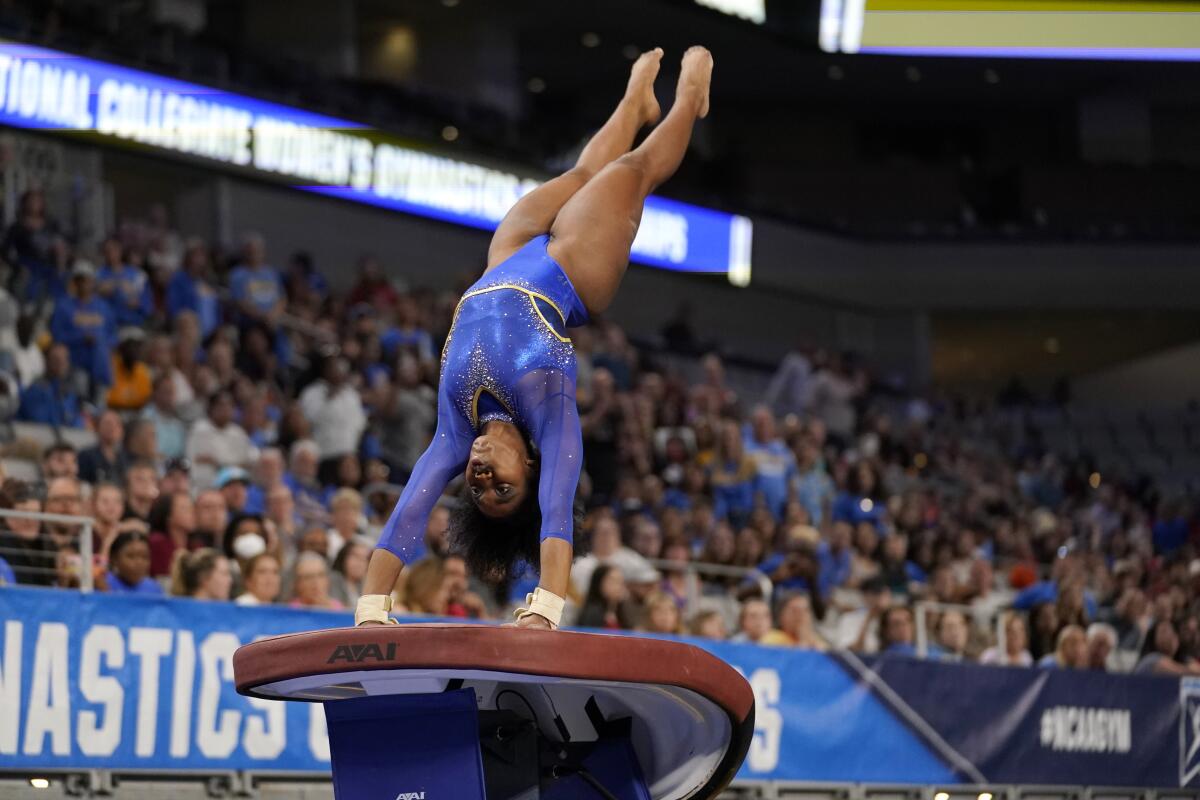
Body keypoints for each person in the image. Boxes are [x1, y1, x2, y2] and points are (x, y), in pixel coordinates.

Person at [360, 47, 714, 631]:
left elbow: (408, 510)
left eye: (478, 491)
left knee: (580, 175)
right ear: (529, 465)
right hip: (571, 275)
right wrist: (545, 608)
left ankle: (634, 105)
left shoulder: (455, 430)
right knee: (629, 173)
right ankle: (688, 104)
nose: (481, 478)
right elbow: (555, 512)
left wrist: (372, 607)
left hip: (503, 263)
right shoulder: (550, 415)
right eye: (503, 488)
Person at [50, 260, 116, 391]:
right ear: (75, 282)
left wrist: (103, 342)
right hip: (75, 365)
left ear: (93, 281)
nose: (84, 284)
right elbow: (57, 336)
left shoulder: (103, 307)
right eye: (80, 280)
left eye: (87, 280)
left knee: (99, 406)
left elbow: (113, 336)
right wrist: (81, 338)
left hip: (100, 366)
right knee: (79, 404)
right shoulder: (64, 306)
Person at [186, 390, 259, 489]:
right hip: (205, 486)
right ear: (211, 408)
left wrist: (218, 462)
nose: (225, 410)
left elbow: (248, 462)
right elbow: (195, 462)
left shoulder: (238, 433)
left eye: (229, 406)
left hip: (234, 485)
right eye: (221, 405)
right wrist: (233, 464)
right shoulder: (199, 430)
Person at [17, 342, 83, 428]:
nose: (61, 364)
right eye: (56, 359)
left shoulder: (70, 393)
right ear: (47, 361)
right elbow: (39, 422)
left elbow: (76, 423)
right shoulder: (35, 389)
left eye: (64, 359)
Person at [0, 479, 53, 585]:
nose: (30, 520)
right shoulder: (5, 546)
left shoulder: (46, 548)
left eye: (35, 513)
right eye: (23, 513)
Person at [576, 564, 638, 630]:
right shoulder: (592, 614)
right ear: (598, 583)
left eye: (621, 581)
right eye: (613, 581)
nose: (619, 586)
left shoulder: (625, 612)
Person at [761, 593, 828, 649]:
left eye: (805, 610)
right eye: (795, 611)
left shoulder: (816, 640)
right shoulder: (771, 639)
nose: (800, 615)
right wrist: (803, 641)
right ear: (781, 615)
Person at [1135, 619, 1200, 676]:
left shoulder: (1183, 658)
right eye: (1164, 631)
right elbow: (1182, 672)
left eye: (1172, 631)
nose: (1170, 635)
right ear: (1153, 638)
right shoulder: (1151, 659)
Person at [78, 409, 125, 485]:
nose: (112, 427)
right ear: (97, 428)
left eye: (117, 424)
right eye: (107, 423)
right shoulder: (86, 456)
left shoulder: (126, 458)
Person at [329, 537, 370, 608]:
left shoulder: (365, 585)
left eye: (364, 559)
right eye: (356, 556)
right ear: (344, 558)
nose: (360, 563)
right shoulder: (332, 580)